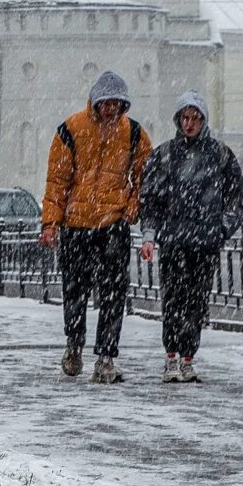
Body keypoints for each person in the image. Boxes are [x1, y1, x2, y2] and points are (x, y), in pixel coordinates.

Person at [40, 71, 152, 383]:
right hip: (76, 225)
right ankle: (74, 344)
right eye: (106, 102)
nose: (110, 108)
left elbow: (146, 173)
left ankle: (105, 358)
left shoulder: (133, 133)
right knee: (75, 291)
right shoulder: (71, 129)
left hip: (113, 224)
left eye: (116, 103)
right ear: (95, 102)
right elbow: (57, 181)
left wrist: (133, 204)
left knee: (114, 292)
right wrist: (51, 223)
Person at [139, 91, 243, 383]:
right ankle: (171, 356)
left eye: (195, 118)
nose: (189, 124)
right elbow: (150, 199)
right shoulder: (164, 155)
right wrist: (150, 234)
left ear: (203, 120)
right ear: (178, 120)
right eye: (185, 118)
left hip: (204, 242)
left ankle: (188, 357)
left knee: (196, 303)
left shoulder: (220, 155)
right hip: (174, 241)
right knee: (173, 300)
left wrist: (220, 229)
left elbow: (236, 202)